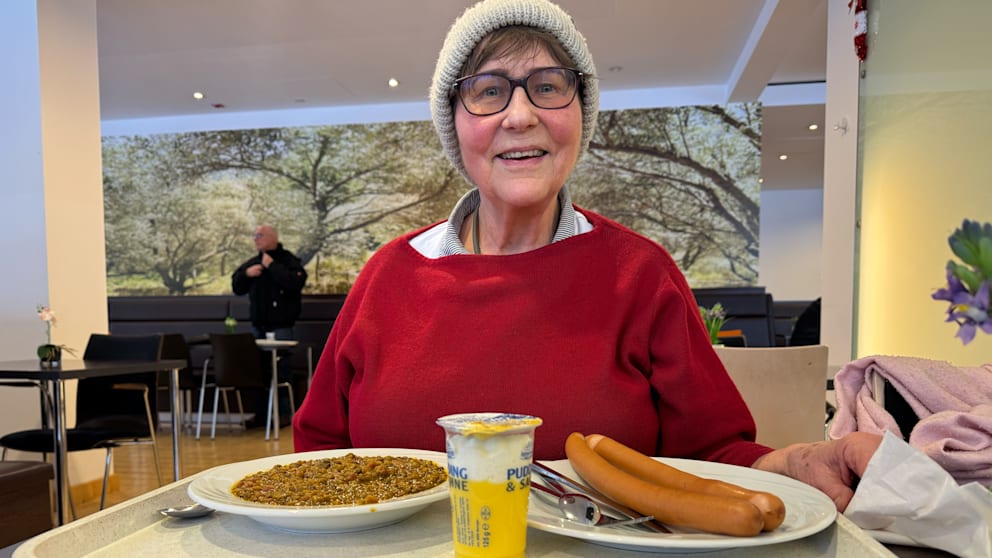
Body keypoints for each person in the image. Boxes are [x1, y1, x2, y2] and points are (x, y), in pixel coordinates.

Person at [293, 0, 880, 512]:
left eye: (548, 87)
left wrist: (797, 465)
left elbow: (712, 456)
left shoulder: (641, 273)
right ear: (455, 123)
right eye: (488, 91)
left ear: (580, 113)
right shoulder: (388, 275)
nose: (519, 116)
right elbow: (320, 450)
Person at [232, 224, 307, 425]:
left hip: (281, 327)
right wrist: (247, 275)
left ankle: (283, 414)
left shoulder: (288, 261)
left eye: (260, 235)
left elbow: (296, 282)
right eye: (254, 235)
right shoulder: (253, 263)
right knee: (259, 370)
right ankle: (261, 416)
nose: (256, 239)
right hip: (258, 327)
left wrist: (272, 266)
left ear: (273, 237)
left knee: (281, 369)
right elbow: (236, 286)